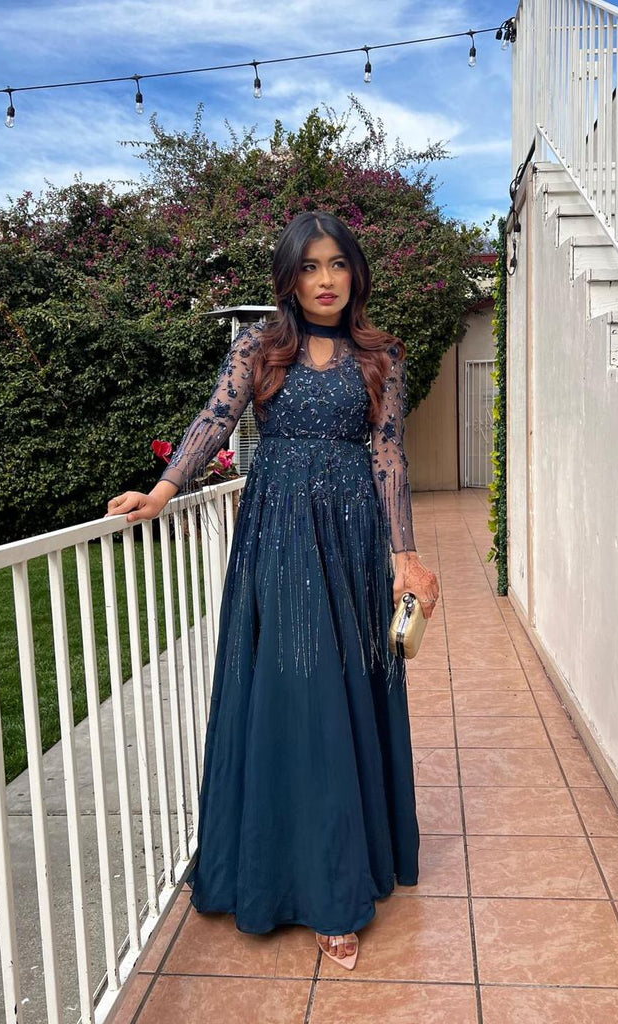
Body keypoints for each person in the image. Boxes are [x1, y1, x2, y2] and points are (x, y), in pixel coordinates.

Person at [106, 210, 440, 970]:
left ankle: (336, 879)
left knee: (344, 694)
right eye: (310, 266)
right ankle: (296, 876)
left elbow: (388, 456)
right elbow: (214, 420)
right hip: (281, 535)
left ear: (355, 273)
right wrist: (163, 491)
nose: (325, 280)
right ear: (289, 277)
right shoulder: (259, 346)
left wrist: (405, 556)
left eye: (338, 264)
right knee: (299, 694)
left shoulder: (382, 353)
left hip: (352, 540)